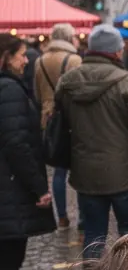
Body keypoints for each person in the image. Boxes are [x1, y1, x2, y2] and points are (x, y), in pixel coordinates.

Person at [56, 25, 128, 270]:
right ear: (115, 51)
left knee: (93, 233)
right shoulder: (127, 81)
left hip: (86, 170)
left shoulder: (67, 82)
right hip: (125, 172)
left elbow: (62, 120)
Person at [0, 34, 55, 270]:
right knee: (7, 269)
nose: (26, 61)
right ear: (7, 57)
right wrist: (38, 188)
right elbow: (17, 143)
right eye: (21, 56)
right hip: (8, 194)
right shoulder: (8, 90)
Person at [34, 23, 82, 228]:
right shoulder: (74, 59)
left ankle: (62, 216)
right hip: (72, 119)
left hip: (49, 119)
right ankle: (82, 218)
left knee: (59, 170)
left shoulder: (40, 61)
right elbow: (81, 92)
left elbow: (37, 93)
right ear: (69, 37)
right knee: (80, 170)